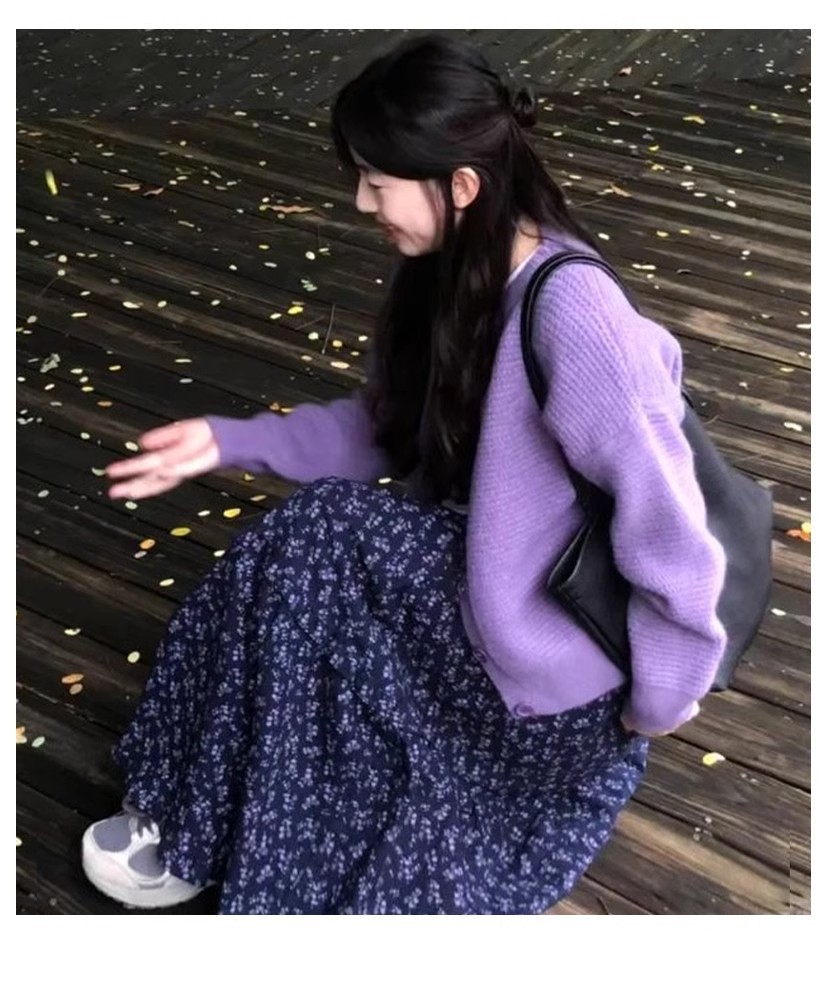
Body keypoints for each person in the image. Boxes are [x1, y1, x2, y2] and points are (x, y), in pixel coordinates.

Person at [81, 33, 725, 914]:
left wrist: (658, 704)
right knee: (303, 549)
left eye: (376, 181)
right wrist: (229, 442)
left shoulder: (577, 314)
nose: (361, 201)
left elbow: (671, 529)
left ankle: (221, 831)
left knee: (316, 546)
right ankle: (203, 821)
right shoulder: (453, 270)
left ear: (460, 186)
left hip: (558, 682)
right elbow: (388, 430)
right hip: (487, 588)